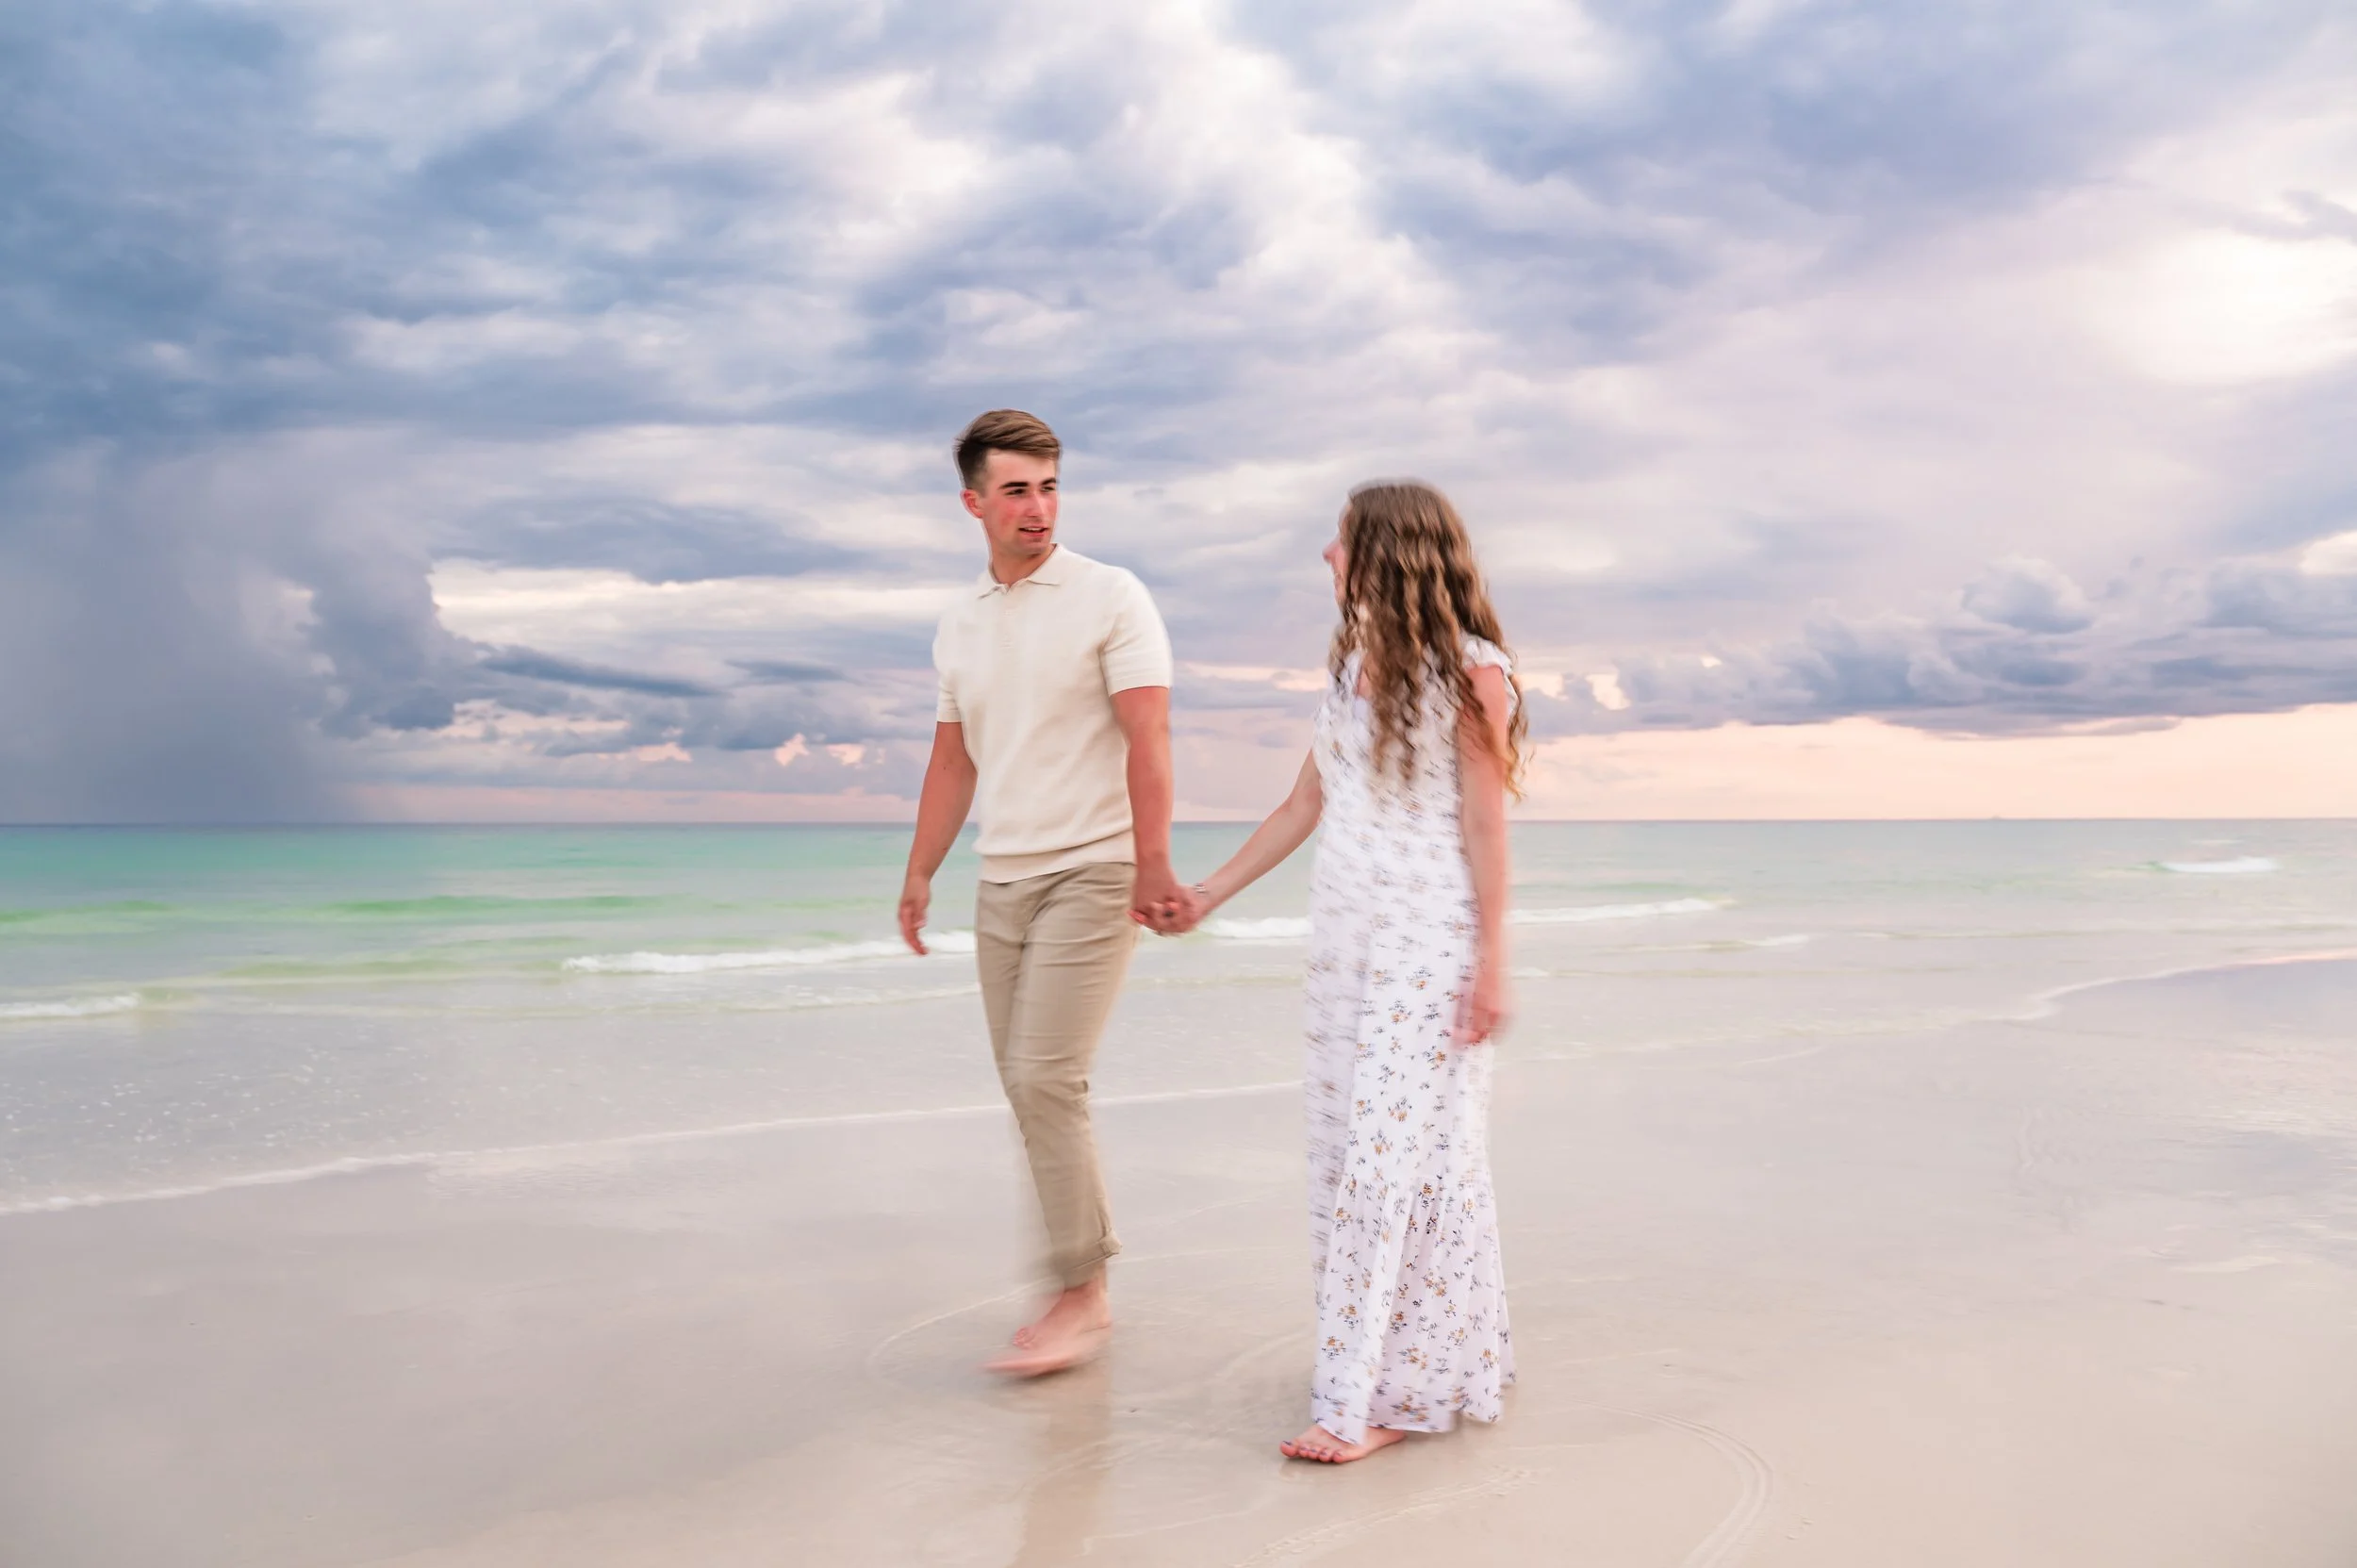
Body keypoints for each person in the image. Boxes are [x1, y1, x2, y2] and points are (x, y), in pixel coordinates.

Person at [1169, 479, 1523, 1462]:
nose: (1327, 557)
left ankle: (1379, 1399)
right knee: (1346, 1167)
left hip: (1426, 948)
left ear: (1385, 554)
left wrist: (1493, 963)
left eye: (1339, 542)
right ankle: (1429, 1360)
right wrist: (1206, 894)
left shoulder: (1473, 672)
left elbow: (1486, 824)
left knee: (1398, 1168)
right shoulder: (1353, 668)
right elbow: (1300, 806)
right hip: (1344, 956)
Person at [898, 409, 1186, 1378]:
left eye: (1050, 486)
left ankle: (1083, 1291)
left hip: (1095, 866)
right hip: (1002, 880)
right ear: (974, 502)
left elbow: (1149, 736)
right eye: (1016, 489)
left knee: (1044, 1078)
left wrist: (1152, 860)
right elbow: (952, 758)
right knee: (1025, 1086)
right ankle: (1077, 1282)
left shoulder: (1111, 595)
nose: (1038, 507)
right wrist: (919, 870)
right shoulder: (959, 621)